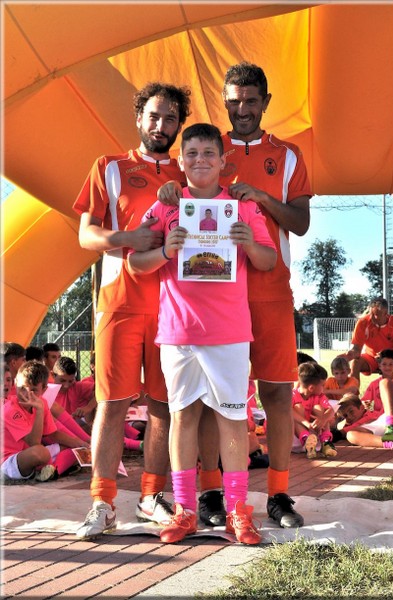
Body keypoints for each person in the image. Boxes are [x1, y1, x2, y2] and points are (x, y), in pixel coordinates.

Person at [157, 62, 312, 527]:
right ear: (224, 103)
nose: (242, 110)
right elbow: (177, 197)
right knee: (208, 403)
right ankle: (208, 492)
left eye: (250, 101)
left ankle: (278, 495)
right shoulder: (208, 147)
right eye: (234, 101)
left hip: (268, 289)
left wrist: (261, 198)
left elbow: (301, 223)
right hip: (209, 302)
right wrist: (169, 190)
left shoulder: (287, 155)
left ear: (265, 102)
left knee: (277, 393)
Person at [73, 82, 223, 540]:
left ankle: (151, 497)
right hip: (119, 302)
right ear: (139, 117)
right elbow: (85, 234)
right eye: (154, 115)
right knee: (112, 404)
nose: (161, 125)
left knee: (165, 405)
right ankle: (102, 503)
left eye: (170, 118)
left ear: (179, 125)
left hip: (174, 308)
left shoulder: (189, 170)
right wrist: (126, 239)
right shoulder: (109, 166)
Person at [128, 122, 277, 544]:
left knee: (232, 419)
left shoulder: (241, 207)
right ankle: (185, 510)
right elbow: (136, 262)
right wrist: (165, 250)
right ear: (181, 160)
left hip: (229, 332)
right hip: (178, 332)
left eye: (209, 153)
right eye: (191, 153)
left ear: (222, 160)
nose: (200, 160)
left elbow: (267, 261)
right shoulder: (166, 205)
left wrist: (249, 244)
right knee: (183, 418)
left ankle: (238, 512)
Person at [1, 360, 87, 483]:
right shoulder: (10, 409)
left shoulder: (42, 403)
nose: (26, 394)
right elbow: (34, 442)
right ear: (16, 383)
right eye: (22, 388)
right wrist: (39, 411)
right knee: (40, 452)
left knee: (74, 448)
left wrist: (80, 443)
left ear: (44, 389)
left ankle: (52, 470)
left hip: (29, 453)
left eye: (33, 390)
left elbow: (53, 433)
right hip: (9, 461)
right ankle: (50, 468)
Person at [341, 297, 393, 381]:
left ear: (385, 313)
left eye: (375, 315)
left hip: (392, 358)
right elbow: (356, 349)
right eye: (370, 313)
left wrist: (385, 356)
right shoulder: (363, 322)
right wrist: (347, 356)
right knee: (354, 363)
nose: (371, 317)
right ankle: (352, 389)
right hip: (371, 357)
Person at [292, 362, 337, 459]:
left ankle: (326, 442)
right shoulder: (293, 395)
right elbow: (288, 412)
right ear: (311, 388)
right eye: (323, 385)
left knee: (319, 409)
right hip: (294, 437)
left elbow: (331, 410)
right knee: (297, 407)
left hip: (314, 432)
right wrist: (306, 423)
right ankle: (307, 442)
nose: (324, 388)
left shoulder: (319, 396)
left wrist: (322, 420)